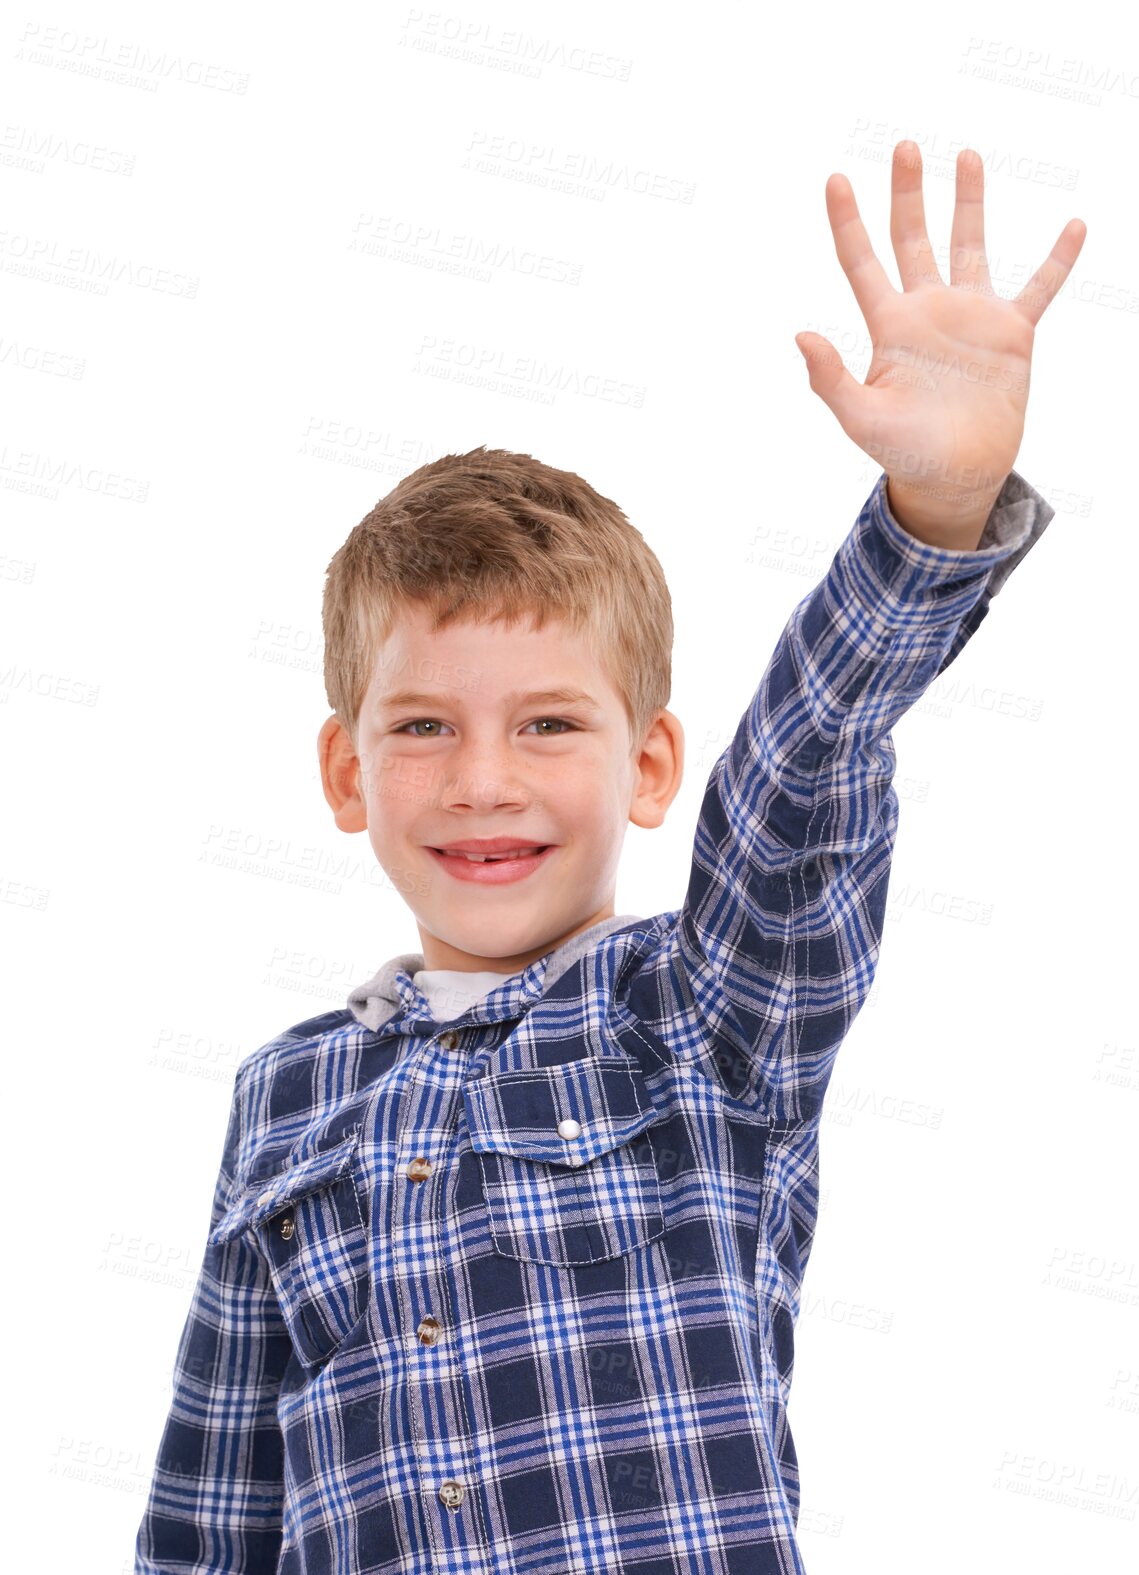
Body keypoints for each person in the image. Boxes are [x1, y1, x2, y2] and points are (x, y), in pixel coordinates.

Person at [135, 141, 1085, 1574]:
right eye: (422, 727)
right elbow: (213, 1517)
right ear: (345, 772)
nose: (483, 782)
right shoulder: (285, 1100)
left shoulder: (704, 1017)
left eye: (549, 723)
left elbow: (800, 770)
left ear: (647, 766)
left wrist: (927, 518)